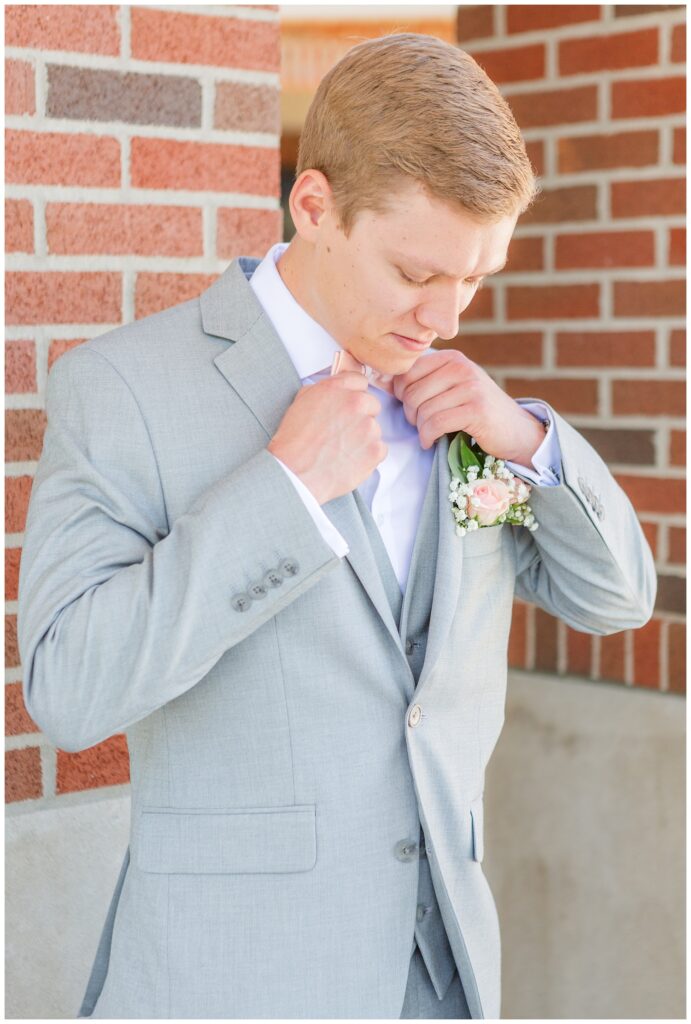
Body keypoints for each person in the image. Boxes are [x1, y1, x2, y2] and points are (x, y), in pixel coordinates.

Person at [17, 33, 656, 1020]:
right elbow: (67, 688)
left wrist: (523, 436)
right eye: (416, 273)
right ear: (312, 206)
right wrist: (283, 490)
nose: (445, 317)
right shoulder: (124, 389)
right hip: (232, 987)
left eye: (474, 279)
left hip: (442, 976)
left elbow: (616, 598)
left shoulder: (464, 412)